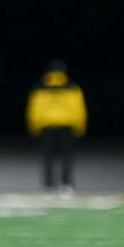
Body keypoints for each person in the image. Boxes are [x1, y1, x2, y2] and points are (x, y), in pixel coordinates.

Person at [27, 60, 85, 193]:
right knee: (67, 157)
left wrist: (34, 126)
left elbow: (34, 109)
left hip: (47, 127)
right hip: (67, 126)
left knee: (47, 157)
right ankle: (67, 184)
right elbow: (79, 109)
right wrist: (80, 127)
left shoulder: (40, 88)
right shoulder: (72, 88)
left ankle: (48, 185)